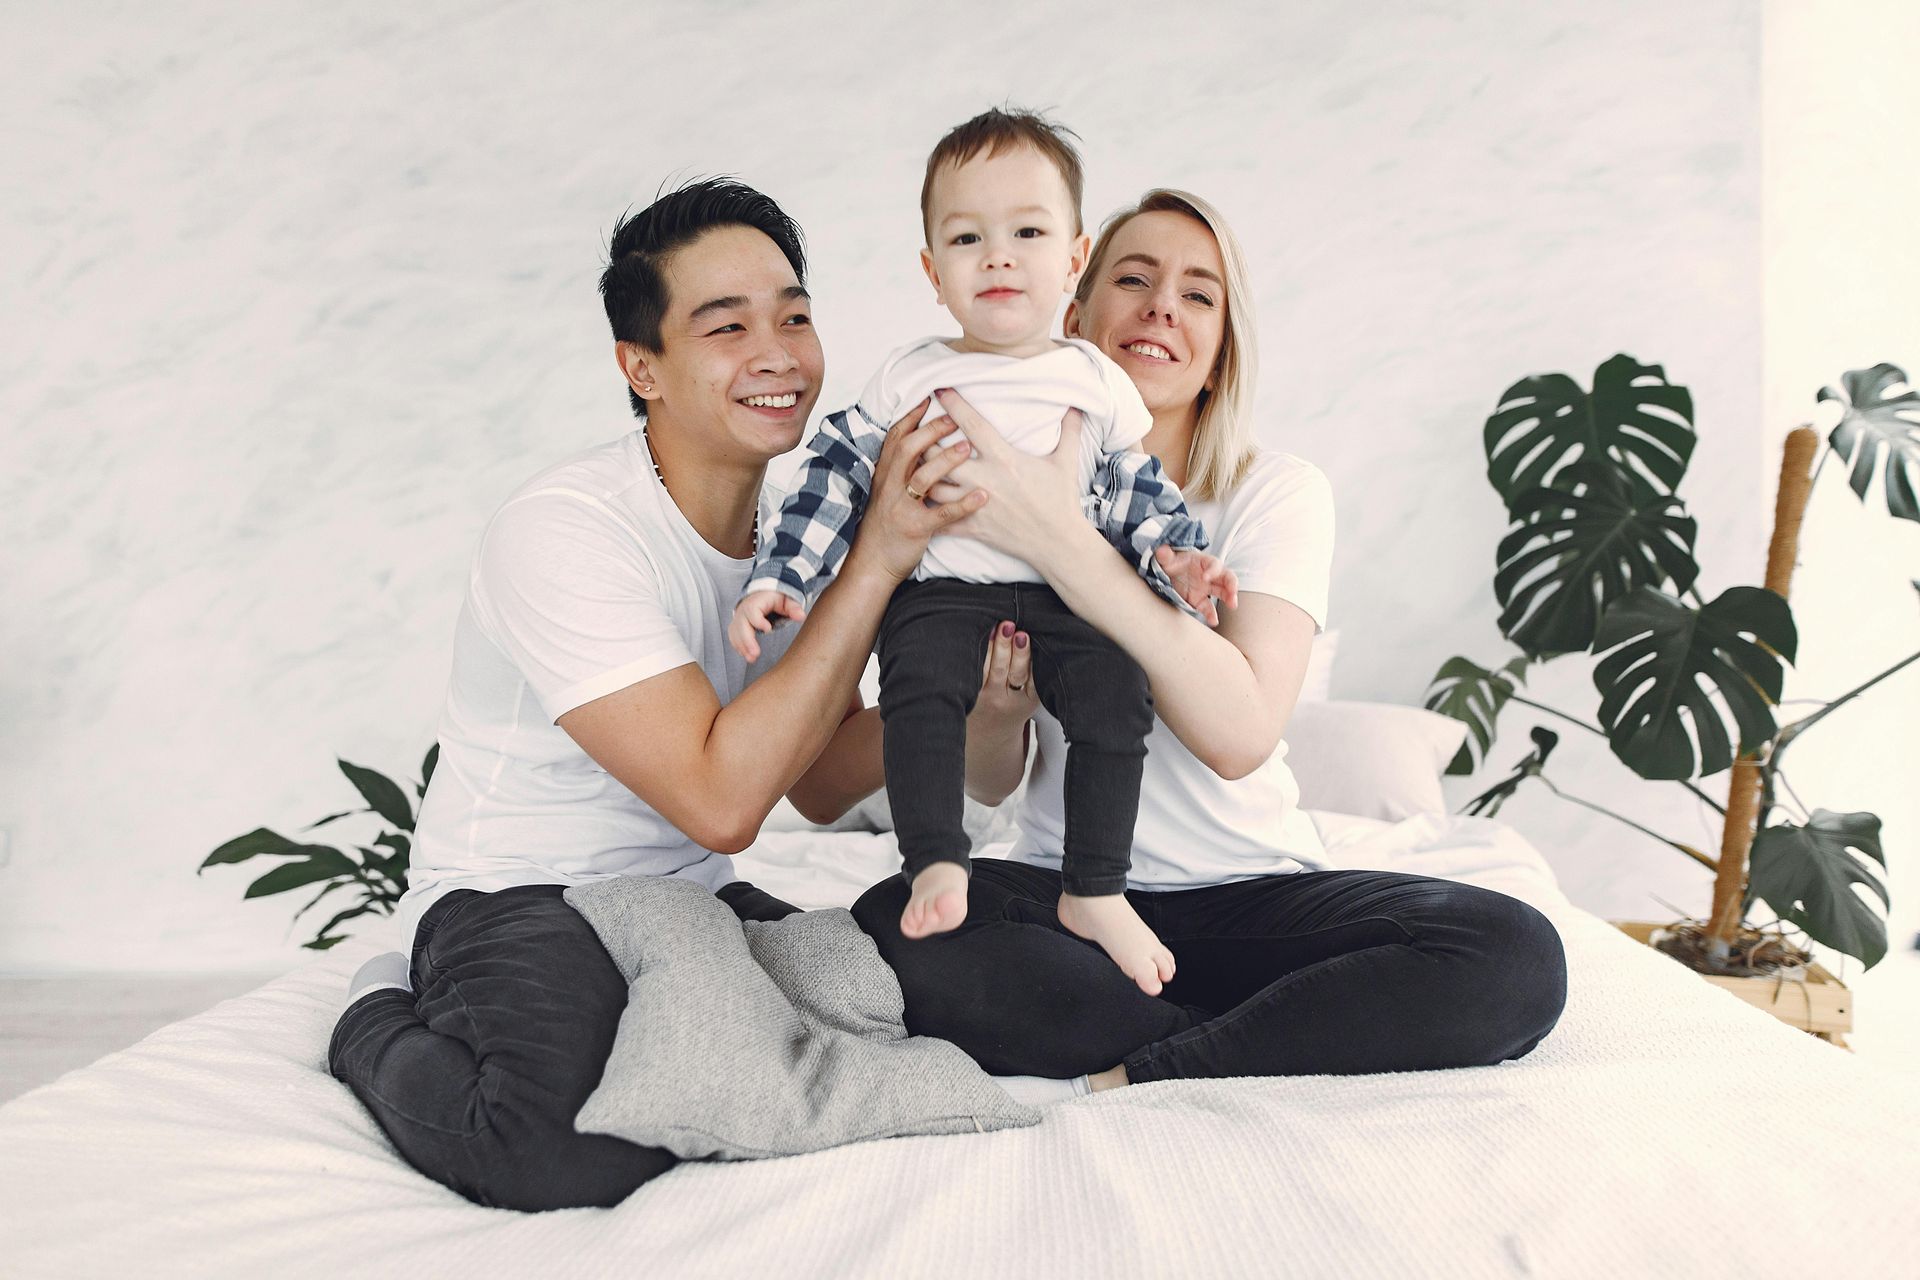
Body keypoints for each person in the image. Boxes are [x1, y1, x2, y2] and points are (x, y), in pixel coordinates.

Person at [326, 178, 990, 1211]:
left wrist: (983, 692)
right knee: (560, 1143)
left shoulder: (796, 533)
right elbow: (721, 801)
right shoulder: (567, 530)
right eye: (727, 328)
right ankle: (369, 1015)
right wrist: (878, 561)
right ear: (642, 367)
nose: (777, 355)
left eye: (794, 318)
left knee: (963, 1000)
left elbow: (819, 783)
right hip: (520, 893)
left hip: (692, 899)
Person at [852, 189, 1570, 1096]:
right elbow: (992, 782)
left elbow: (1239, 736)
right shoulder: (986, 484)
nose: (1162, 307)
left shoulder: (1274, 492)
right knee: (892, 920)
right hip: (1067, 897)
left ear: (1222, 344)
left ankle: (1161, 1056)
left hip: (1248, 896)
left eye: (1198, 294)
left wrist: (1063, 542)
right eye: (1134, 280)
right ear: (1074, 313)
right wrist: (996, 710)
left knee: (1513, 954)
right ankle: (1261, 1031)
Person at [732, 109, 1235, 995]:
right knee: (919, 693)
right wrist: (782, 577)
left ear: (1073, 260)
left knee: (1118, 697)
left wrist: (1179, 561)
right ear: (934, 272)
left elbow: (1135, 492)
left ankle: (1095, 888)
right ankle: (936, 859)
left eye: (1027, 234)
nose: (998, 257)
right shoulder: (911, 376)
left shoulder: (1095, 381)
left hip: (1070, 599)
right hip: (946, 594)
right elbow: (836, 474)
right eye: (968, 238)